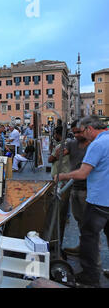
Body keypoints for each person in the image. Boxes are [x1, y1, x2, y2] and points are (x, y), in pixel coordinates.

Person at [57, 116, 109, 288]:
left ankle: (90, 276)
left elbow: (82, 173)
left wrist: (62, 176)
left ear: (89, 129)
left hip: (99, 200)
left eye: (83, 131)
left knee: (89, 237)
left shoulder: (97, 144)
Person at [60, 120, 91, 257]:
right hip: (75, 187)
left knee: (90, 223)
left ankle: (90, 252)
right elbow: (58, 155)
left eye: (79, 132)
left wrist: (63, 176)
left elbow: (84, 172)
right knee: (79, 219)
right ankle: (82, 246)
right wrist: (59, 149)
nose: (77, 135)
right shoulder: (72, 144)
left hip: (89, 189)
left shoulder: (93, 145)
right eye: (74, 133)